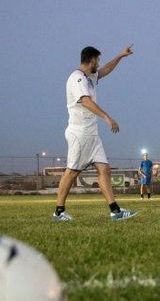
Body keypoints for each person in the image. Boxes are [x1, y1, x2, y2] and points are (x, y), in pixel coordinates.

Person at [53, 44, 137, 222]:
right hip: (80, 132)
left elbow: (105, 70)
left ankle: (115, 211)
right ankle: (59, 212)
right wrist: (107, 118)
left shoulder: (89, 76)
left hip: (91, 133)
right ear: (91, 60)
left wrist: (120, 55)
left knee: (104, 169)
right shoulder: (77, 79)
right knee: (72, 172)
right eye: (97, 60)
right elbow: (85, 101)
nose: (99, 64)